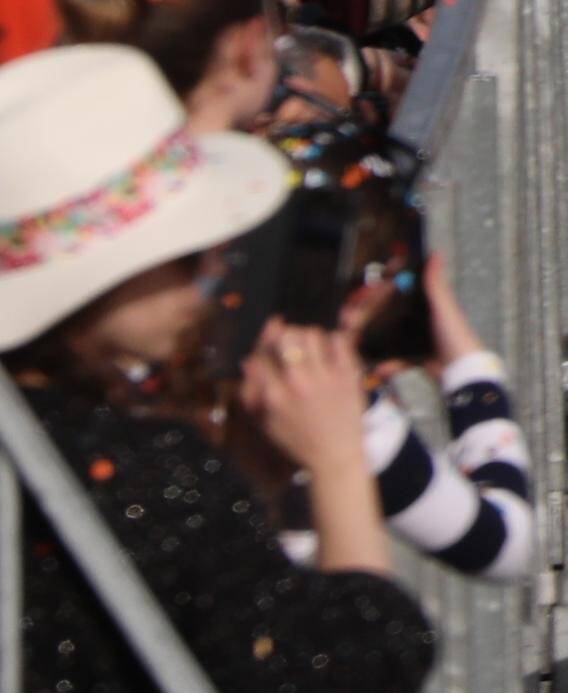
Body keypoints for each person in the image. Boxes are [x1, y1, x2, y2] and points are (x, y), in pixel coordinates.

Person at [0, 43, 434, 693]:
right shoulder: (142, 468)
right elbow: (352, 666)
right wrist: (339, 458)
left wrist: (247, 475)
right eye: (185, 251)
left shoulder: (83, 444)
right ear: (96, 281)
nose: (212, 273)